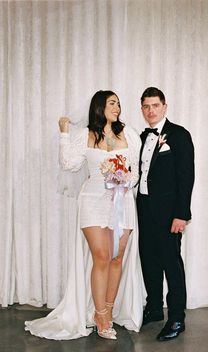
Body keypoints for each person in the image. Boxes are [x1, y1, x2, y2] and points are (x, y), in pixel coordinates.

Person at [25, 90, 146, 340]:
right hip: (93, 201)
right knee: (101, 256)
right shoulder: (87, 134)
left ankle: (109, 311)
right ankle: (99, 314)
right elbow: (70, 164)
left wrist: (123, 181)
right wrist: (63, 133)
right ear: (100, 107)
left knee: (116, 257)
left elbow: (136, 170)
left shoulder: (129, 134)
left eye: (119, 103)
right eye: (112, 103)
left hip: (122, 201)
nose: (117, 107)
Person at [137, 87, 194, 341]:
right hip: (143, 210)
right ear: (142, 109)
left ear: (165, 106)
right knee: (148, 259)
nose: (151, 111)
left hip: (170, 214)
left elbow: (186, 177)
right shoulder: (140, 137)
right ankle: (154, 307)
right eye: (146, 106)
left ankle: (177, 317)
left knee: (171, 263)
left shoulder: (179, 135)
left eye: (155, 106)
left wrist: (181, 214)